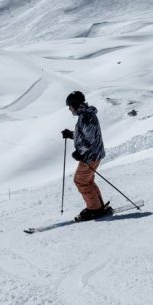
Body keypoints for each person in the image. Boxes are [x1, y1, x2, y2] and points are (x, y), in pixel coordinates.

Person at [61, 91, 110, 221]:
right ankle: (98, 206)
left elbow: (90, 140)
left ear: (75, 104)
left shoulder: (86, 117)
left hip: (90, 155)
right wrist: (71, 135)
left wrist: (80, 152)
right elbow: (85, 135)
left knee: (81, 180)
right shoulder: (85, 115)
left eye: (70, 106)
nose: (69, 109)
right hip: (93, 154)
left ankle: (95, 209)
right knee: (86, 181)